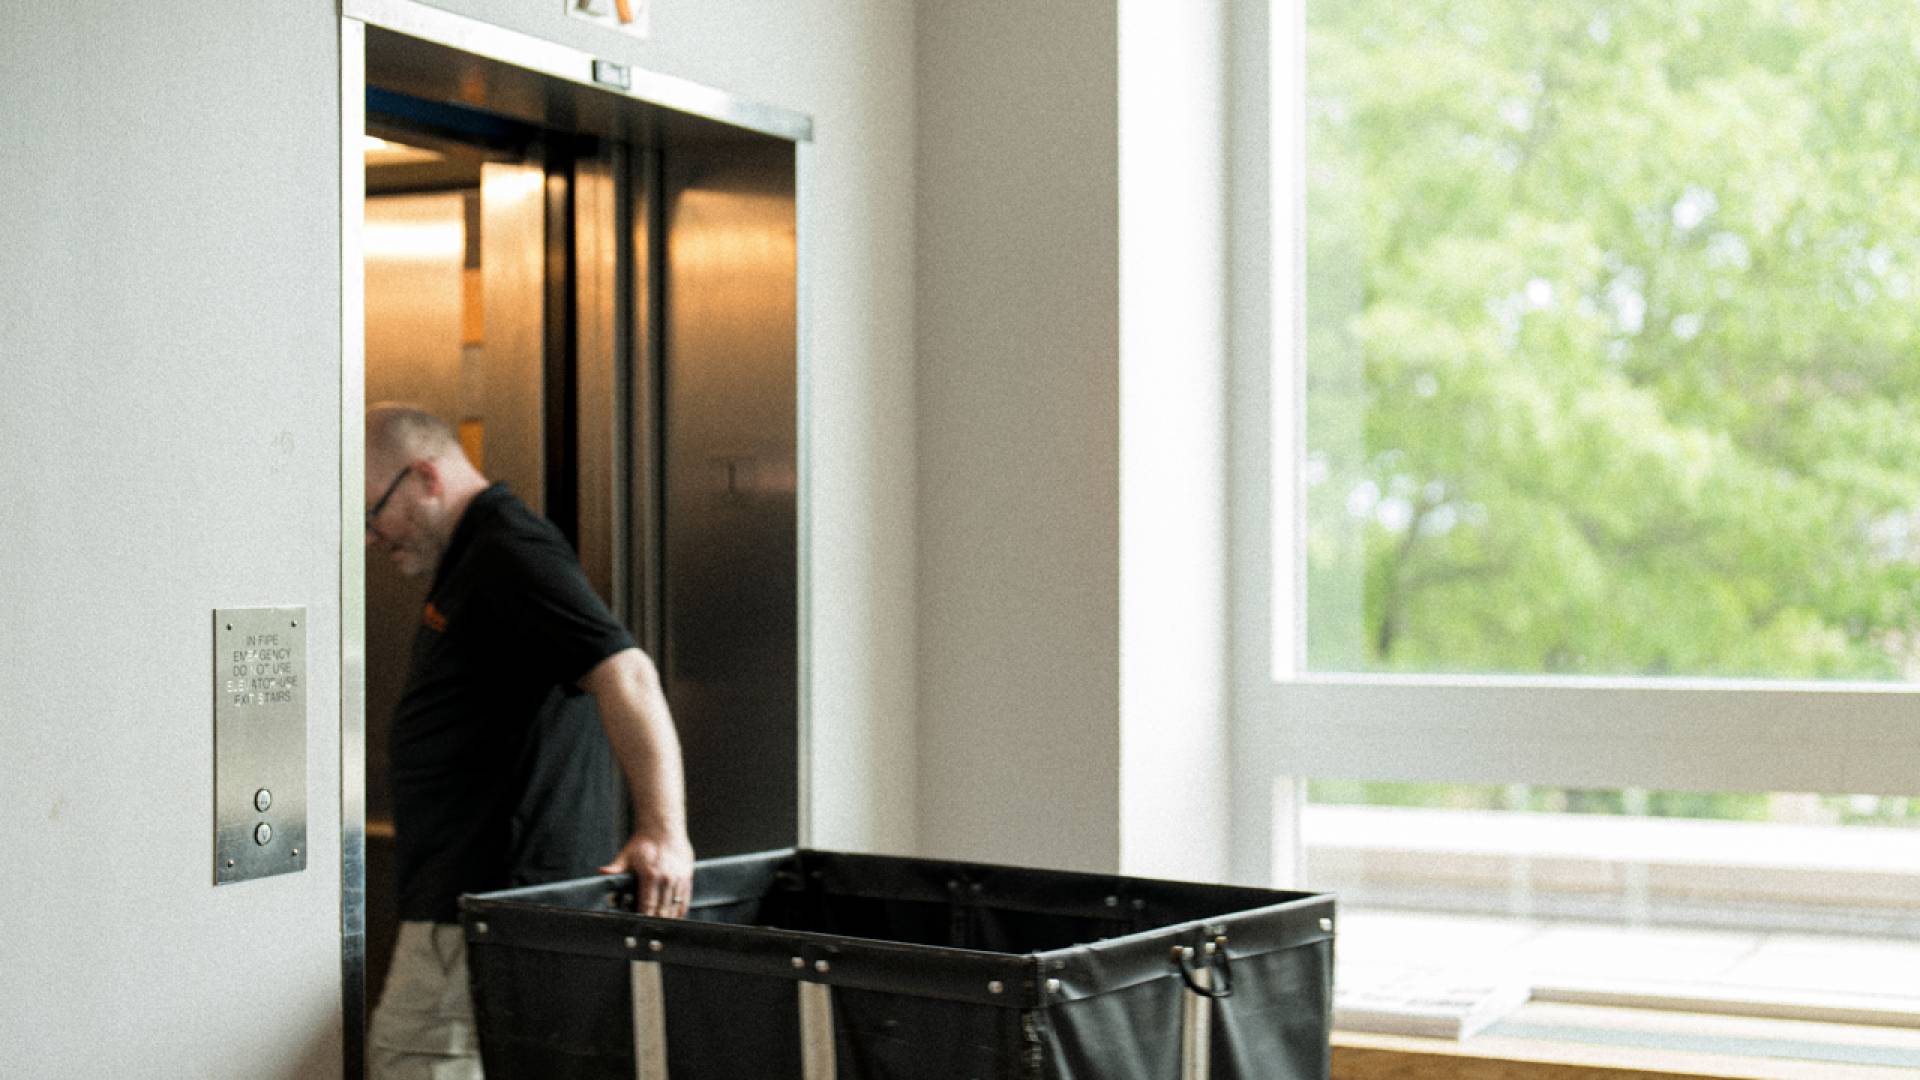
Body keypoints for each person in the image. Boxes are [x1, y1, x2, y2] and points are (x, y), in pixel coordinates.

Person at [363, 403, 694, 1080]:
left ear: (426, 476)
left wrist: (664, 832)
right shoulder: (476, 560)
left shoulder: (508, 550)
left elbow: (627, 672)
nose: (371, 537)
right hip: (473, 910)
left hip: (485, 908)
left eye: (374, 511)